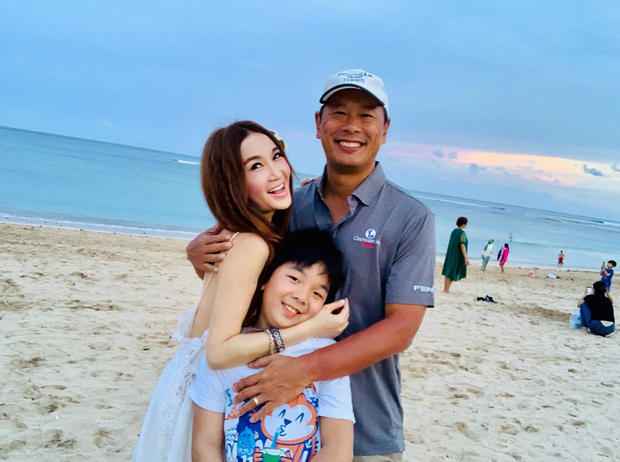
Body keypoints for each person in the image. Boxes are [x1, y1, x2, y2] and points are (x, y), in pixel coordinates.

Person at [186, 69, 436, 460]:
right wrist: (199, 255)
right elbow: (242, 262)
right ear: (318, 124)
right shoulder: (290, 205)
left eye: (366, 115)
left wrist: (306, 369)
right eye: (339, 112)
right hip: (259, 419)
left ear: (385, 129)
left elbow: (402, 328)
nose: (351, 125)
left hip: (367, 426)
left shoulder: (410, 217)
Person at [132, 121, 349, 462]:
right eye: (256, 166)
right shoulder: (252, 244)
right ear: (233, 184)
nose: (276, 172)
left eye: (276, 156)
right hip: (209, 390)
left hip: (197, 386)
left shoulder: (240, 231)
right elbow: (219, 353)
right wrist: (311, 328)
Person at [190, 230, 354, 462]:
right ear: (264, 279)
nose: (302, 296)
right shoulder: (226, 351)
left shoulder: (325, 355)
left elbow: (338, 449)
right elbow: (205, 445)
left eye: (317, 293)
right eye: (294, 279)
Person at [441, 216, 469, 292]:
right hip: (457, 255)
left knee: (448, 271)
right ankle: (446, 290)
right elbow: (462, 244)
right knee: (452, 272)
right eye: (466, 223)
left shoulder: (454, 231)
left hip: (450, 254)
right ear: (464, 224)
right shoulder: (462, 233)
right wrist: (466, 257)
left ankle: (445, 289)